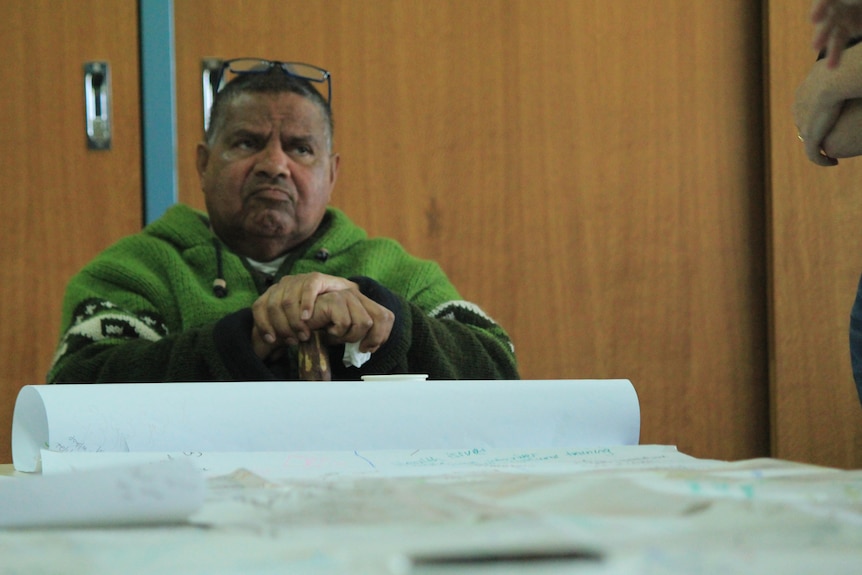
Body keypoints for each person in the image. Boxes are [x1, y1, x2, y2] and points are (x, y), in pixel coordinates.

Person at [47, 59, 519, 383]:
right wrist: (242, 340)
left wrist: (389, 324)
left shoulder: (397, 271)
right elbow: (76, 391)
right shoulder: (136, 268)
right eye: (248, 143)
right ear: (203, 164)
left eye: (300, 148)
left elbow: (501, 370)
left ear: (331, 173)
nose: (275, 164)